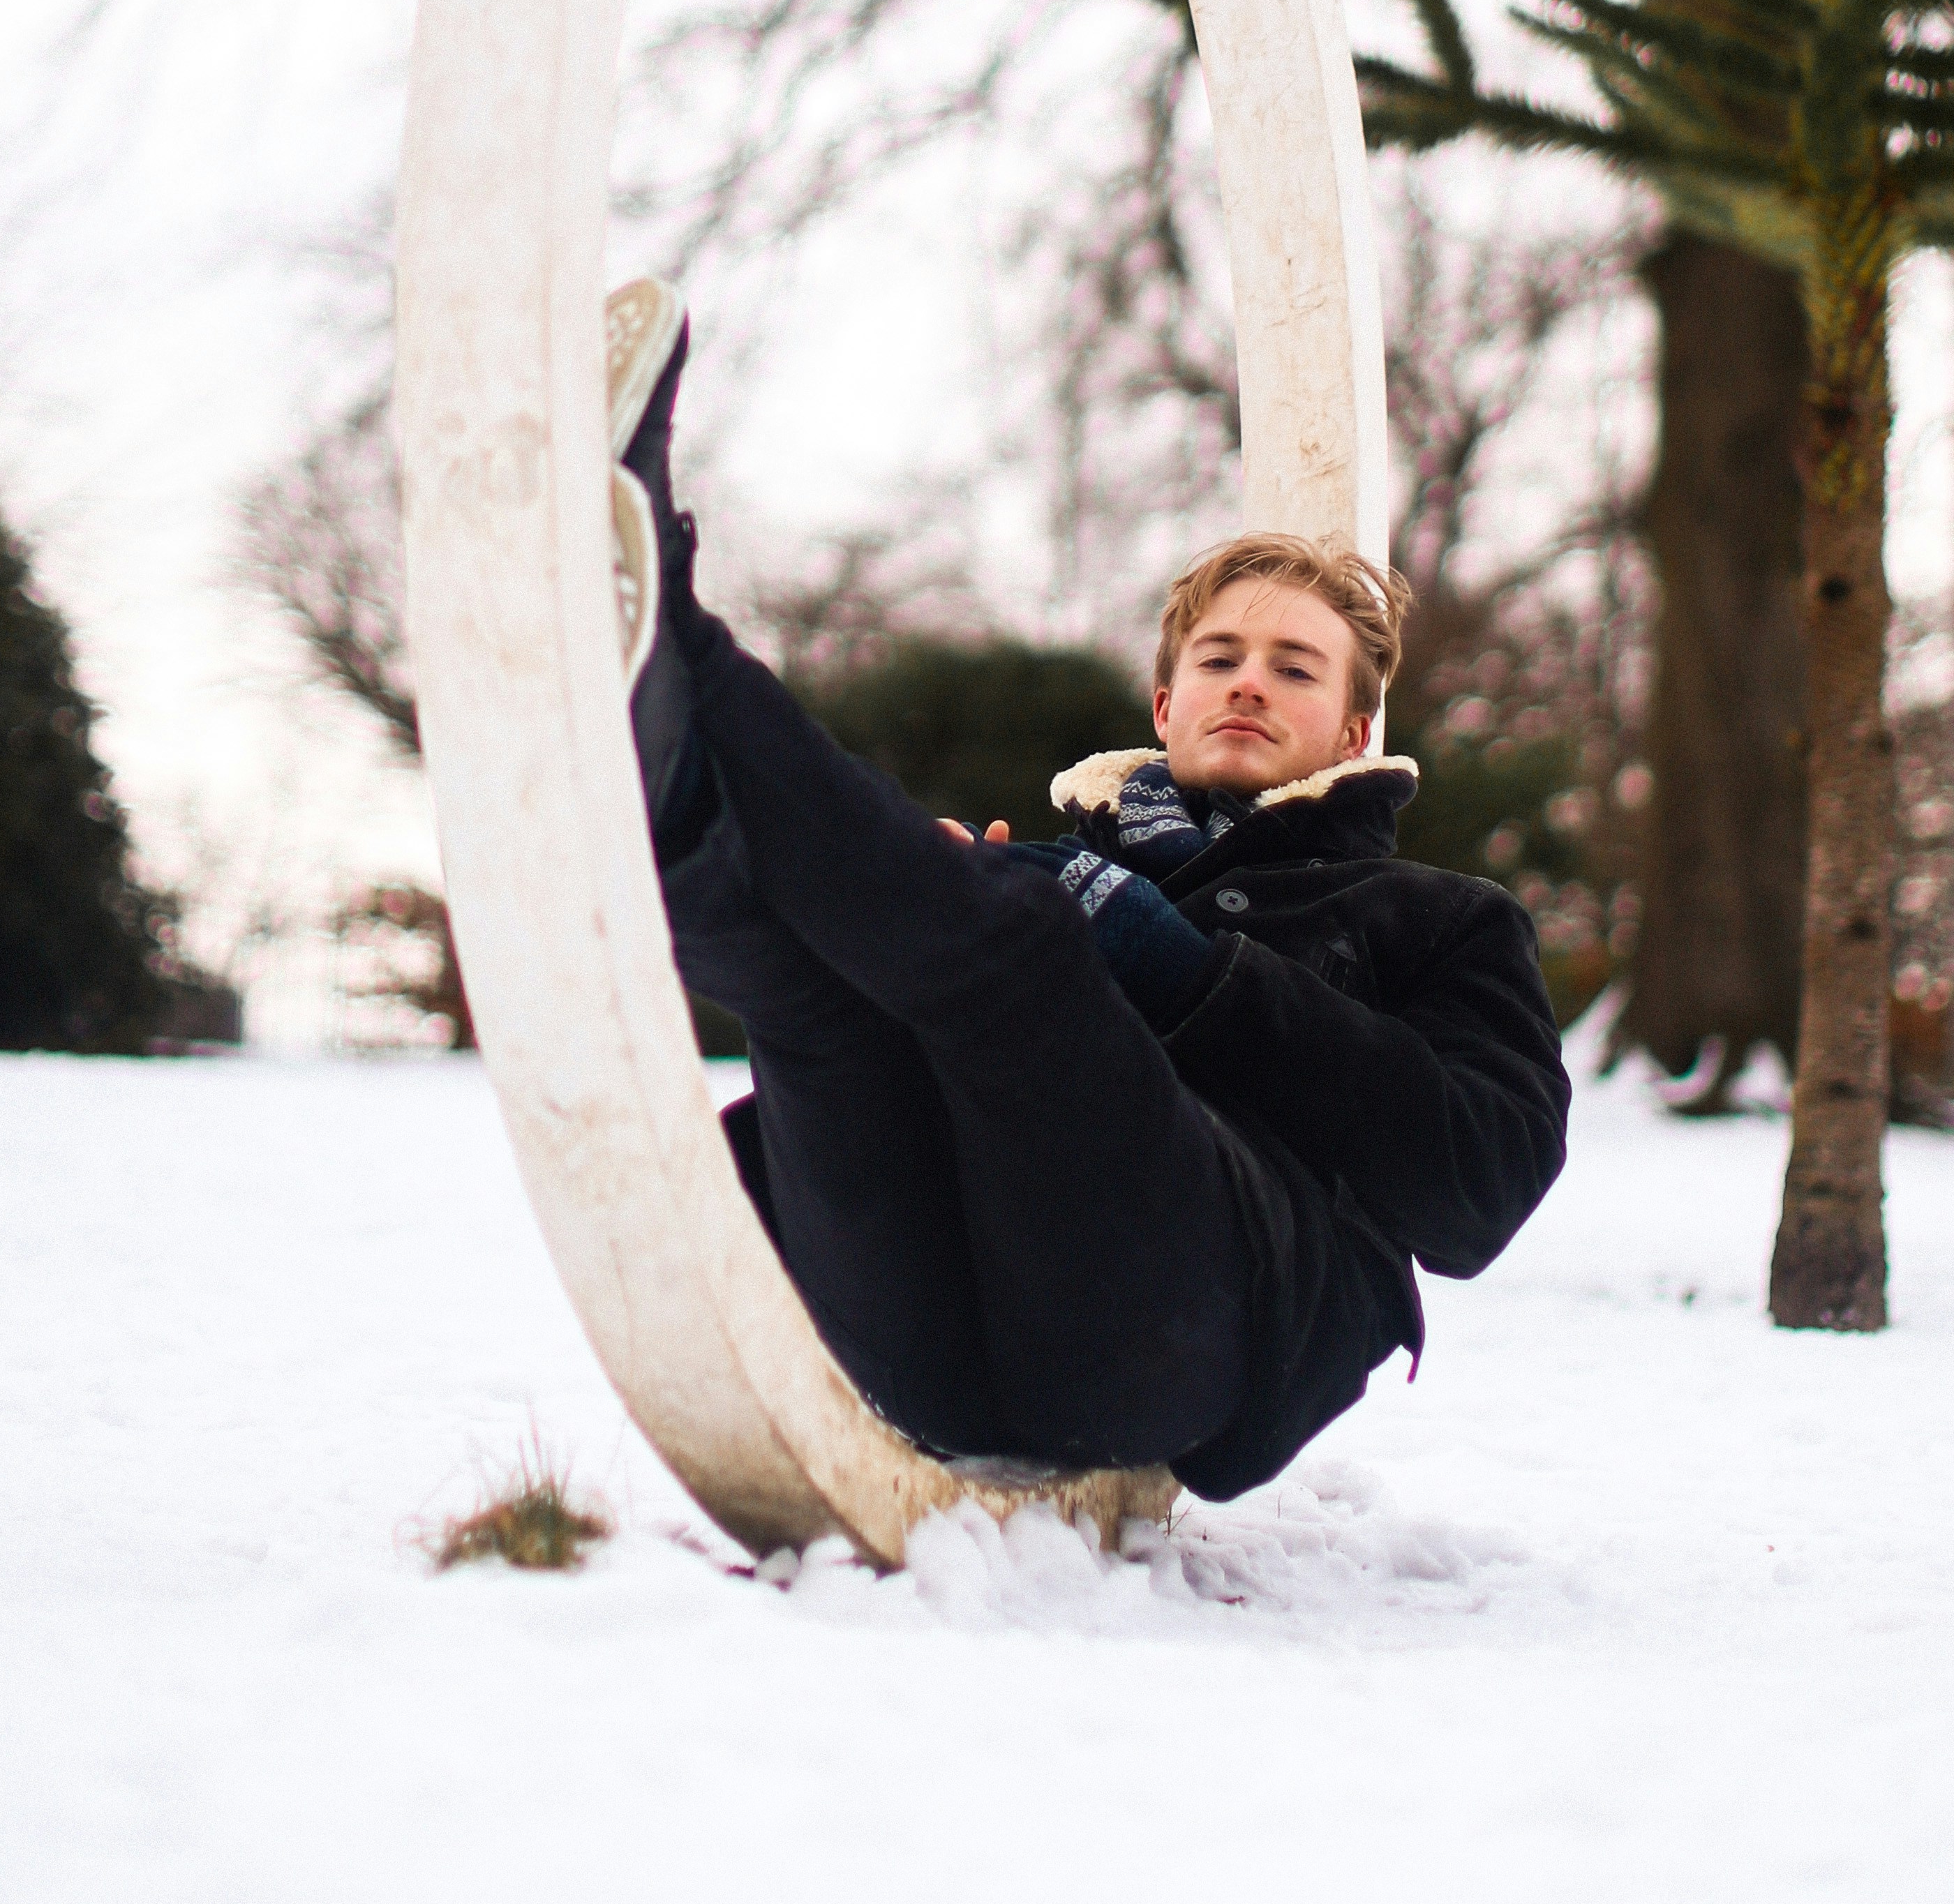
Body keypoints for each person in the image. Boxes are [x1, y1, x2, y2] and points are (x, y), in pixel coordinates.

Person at [604, 276, 1569, 1503]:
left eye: (1295, 668)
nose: (1249, 682)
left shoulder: (1440, 920)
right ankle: (660, 769)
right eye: (1219, 658)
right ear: (1165, 707)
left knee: (1023, 940)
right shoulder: (1064, 867)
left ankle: (671, 630)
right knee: (823, 985)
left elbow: (1484, 1183)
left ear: (1352, 731)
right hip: (926, 1339)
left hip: (1180, 1340)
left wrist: (1187, 972)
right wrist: (918, 912)